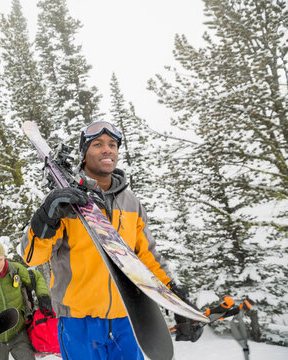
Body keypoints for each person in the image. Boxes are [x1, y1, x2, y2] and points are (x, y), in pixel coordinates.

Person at [21, 120, 203, 360]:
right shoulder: (65, 200)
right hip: (78, 321)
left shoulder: (130, 202)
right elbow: (32, 256)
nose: (107, 149)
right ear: (84, 155)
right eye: (97, 144)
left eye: (113, 144)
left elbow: (146, 256)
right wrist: (46, 217)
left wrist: (176, 298)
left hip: (128, 318)